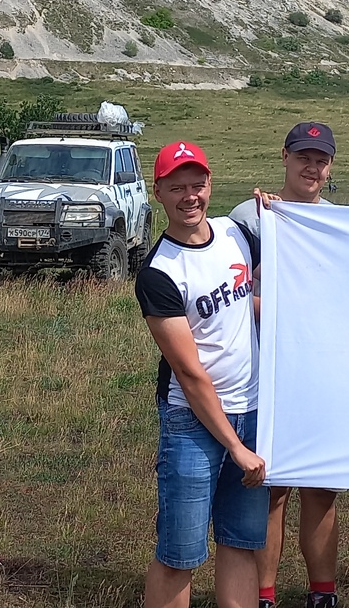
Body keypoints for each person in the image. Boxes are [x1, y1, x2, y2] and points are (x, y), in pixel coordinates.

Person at [138, 140, 268, 608]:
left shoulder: (236, 233)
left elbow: (246, 299)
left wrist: (276, 213)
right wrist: (237, 448)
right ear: (159, 193)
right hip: (193, 424)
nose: (189, 197)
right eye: (177, 188)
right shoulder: (160, 271)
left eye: (197, 185)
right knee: (180, 553)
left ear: (210, 185)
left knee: (241, 541)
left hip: (250, 411)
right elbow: (189, 373)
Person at [230, 122, 340, 608]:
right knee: (270, 491)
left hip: (318, 373)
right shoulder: (250, 218)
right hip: (266, 375)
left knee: (321, 490)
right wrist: (275, 309)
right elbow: (232, 296)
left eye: (320, 159)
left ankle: (322, 593)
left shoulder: (339, 223)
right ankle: (266, 595)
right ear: (285, 157)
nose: (311, 167)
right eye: (303, 157)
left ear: (330, 165)